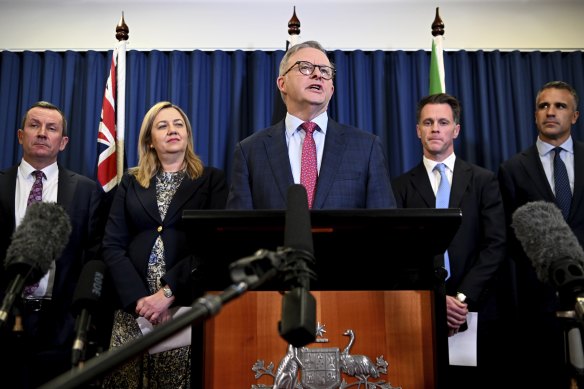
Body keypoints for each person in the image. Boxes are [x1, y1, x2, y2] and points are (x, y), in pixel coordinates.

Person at [101, 101, 228, 388]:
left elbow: (214, 246)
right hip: (131, 312)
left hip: (182, 309)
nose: (172, 130)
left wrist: (168, 292)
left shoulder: (212, 180)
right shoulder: (131, 181)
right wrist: (138, 301)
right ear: (149, 140)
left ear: (187, 134)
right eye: (162, 126)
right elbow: (112, 244)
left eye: (178, 124)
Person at [391, 93, 507, 389]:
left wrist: (460, 299)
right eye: (428, 122)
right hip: (420, 308)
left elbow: (495, 245)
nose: (435, 129)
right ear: (417, 130)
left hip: (474, 309)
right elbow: (399, 251)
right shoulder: (400, 186)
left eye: (443, 122)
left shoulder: (483, 180)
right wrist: (435, 299)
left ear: (456, 129)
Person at [0, 101, 105, 388]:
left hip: (60, 328)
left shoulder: (86, 190)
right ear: (21, 135)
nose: (43, 133)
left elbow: (93, 255)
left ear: (63, 142)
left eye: (52, 128)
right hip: (5, 321)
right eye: (35, 125)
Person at [226, 40, 395, 209]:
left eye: (325, 71)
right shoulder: (249, 151)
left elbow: (384, 225)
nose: (317, 75)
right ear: (282, 84)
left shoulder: (367, 147)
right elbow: (238, 228)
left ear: (331, 90)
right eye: (305, 67)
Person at [498, 80, 582, 388]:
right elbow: (508, 241)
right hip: (538, 304)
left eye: (560, 106)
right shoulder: (512, 169)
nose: (551, 112)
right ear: (535, 115)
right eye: (544, 106)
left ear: (574, 115)